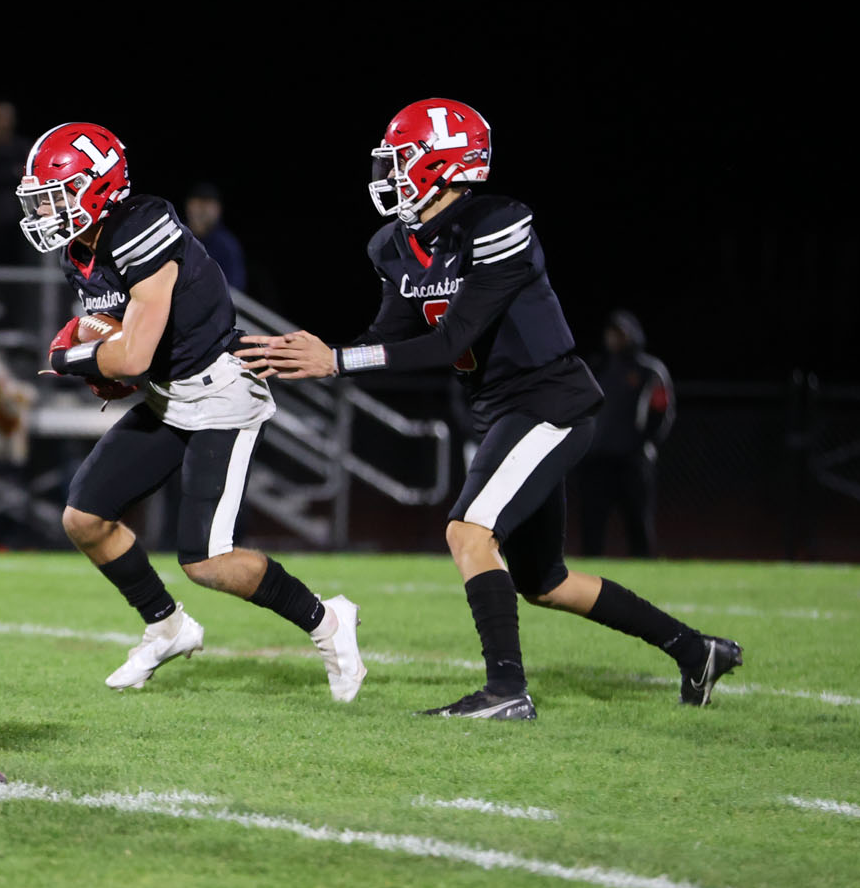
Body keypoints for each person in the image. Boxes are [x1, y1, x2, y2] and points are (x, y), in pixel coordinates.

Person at [240, 99, 741, 718]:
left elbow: (452, 340)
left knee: (468, 531)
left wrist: (339, 362)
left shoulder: (499, 222)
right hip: (501, 411)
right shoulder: (394, 245)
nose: (387, 174)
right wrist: (313, 358)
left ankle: (506, 691)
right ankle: (696, 652)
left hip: (549, 402)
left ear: (443, 163)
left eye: (400, 160)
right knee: (544, 581)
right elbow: (389, 338)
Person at [18, 122, 365, 700]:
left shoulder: (142, 226)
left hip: (219, 394)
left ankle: (328, 622)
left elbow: (129, 356)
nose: (48, 209)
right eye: (42, 198)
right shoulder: (79, 252)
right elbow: (126, 353)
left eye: (59, 194)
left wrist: (71, 355)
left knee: (206, 560)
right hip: (169, 394)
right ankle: (167, 626)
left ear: (100, 187)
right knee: (85, 517)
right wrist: (99, 359)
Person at [578, 311, 675, 558]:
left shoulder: (649, 370)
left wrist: (641, 444)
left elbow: (661, 411)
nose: (614, 338)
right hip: (597, 459)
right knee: (592, 523)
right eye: (611, 333)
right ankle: (590, 575)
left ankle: (644, 571)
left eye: (620, 333)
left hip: (632, 461)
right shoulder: (598, 366)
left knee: (638, 522)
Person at [183, 182, 247, 293]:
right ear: (189, 206)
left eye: (208, 205)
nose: (203, 211)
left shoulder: (226, 244)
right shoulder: (176, 235)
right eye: (199, 205)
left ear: (218, 209)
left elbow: (235, 287)